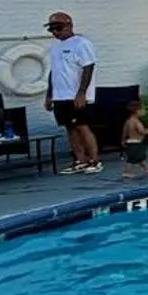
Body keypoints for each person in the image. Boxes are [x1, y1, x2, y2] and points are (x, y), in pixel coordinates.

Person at [44, 11, 101, 174]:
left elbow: (88, 67)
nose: (55, 32)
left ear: (69, 25)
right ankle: (80, 160)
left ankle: (94, 160)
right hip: (60, 96)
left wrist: (81, 92)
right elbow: (53, 72)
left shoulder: (81, 44)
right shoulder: (55, 48)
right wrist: (49, 95)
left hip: (76, 96)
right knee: (70, 128)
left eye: (58, 28)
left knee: (82, 126)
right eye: (52, 29)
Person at [120, 99, 148, 180]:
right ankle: (126, 172)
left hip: (130, 142)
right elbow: (142, 132)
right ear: (137, 111)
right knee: (132, 159)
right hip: (136, 143)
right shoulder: (136, 122)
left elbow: (124, 131)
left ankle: (146, 168)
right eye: (143, 110)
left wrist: (123, 140)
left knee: (140, 157)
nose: (144, 112)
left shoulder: (128, 121)